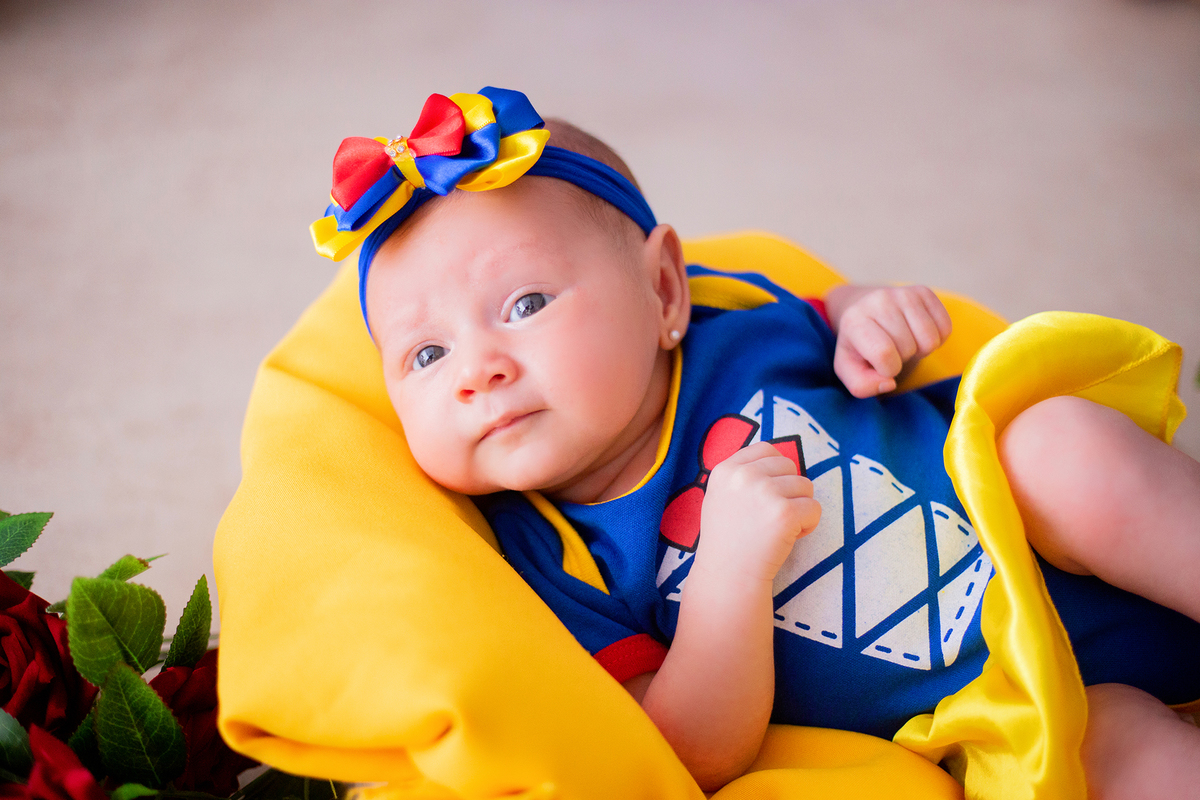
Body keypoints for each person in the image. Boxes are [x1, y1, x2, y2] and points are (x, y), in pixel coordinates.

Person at [311, 88, 1200, 797]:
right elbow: (690, 753)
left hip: (1022, 514)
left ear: (664, 291)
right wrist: (727, 573)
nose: (478, 371)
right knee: (1116, 759)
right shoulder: (547, 558)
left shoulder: (732, 333)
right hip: (1001, 699)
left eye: (526, 305)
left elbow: (829, 311)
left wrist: (870, 317)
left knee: (1057, 448)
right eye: (425, 354)